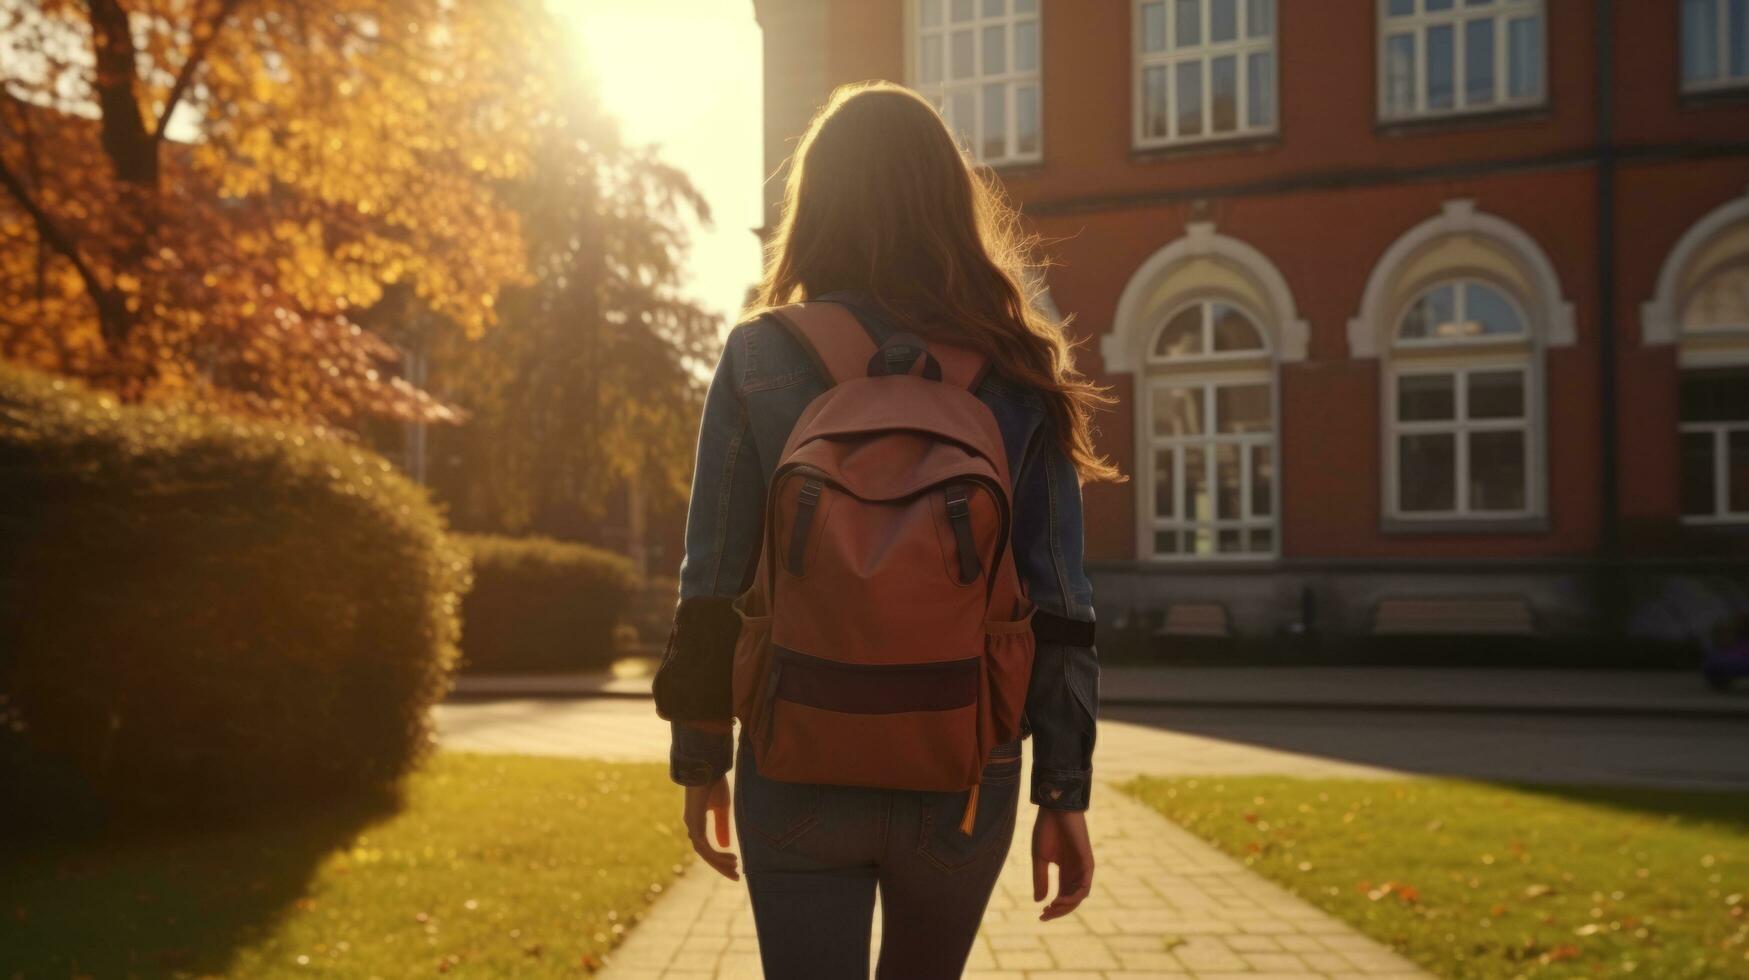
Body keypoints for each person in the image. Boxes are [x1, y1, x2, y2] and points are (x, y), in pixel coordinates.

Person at [652, 80, 1111, 979]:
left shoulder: (760, 354)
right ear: (950, 203)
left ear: (814, 203)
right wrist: (1063, 792)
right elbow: (1060, 604)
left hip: (797, 748)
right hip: (963, 763)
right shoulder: (1017, 368)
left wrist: (700, 755)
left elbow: (708, 579)